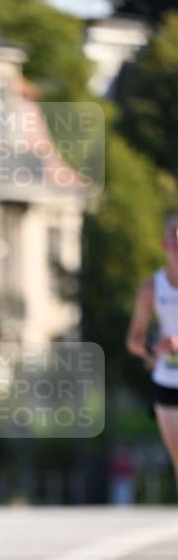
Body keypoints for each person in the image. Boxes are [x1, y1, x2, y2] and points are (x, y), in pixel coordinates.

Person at [126, 212, 178, 495]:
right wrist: (153, 349)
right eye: (175, 236)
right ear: (164, 244)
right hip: (167, 379)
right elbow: (133, 340)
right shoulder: (152, 288)